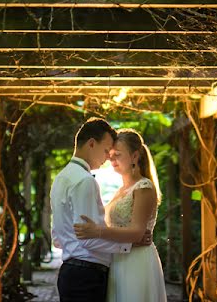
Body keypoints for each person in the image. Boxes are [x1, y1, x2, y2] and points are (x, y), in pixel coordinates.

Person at [51, 117, 149, 302]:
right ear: (91, 144)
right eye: (106, 151)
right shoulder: (85, 181)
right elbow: (89, 240)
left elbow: (57, 237)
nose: (107, 158)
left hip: (71, 272)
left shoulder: (61, 178)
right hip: (86, 276)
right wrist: (130, 244)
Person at [74, 128, 167, 302]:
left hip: (137, 261)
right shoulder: (120, 191)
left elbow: (137, 232)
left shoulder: (144, 187)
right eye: (110, 154)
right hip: (118, 259)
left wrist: (98, 231)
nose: (111, 159)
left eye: (117, 154)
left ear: (134, 156)